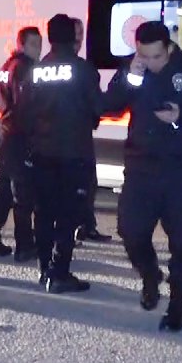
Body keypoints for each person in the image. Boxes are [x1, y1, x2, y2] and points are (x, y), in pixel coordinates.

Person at [104, 21, 182, 330]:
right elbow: (111, 106)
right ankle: (150, 275)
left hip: (181, 169)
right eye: (144, 56)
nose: (150, 63)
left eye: (156, 57)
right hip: (141, 167)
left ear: (169, 48)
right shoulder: (134, 68)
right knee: (131, 232)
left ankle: (177, 304)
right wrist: (131, 77)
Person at [22, 14, 103, 293]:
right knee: (68, 215)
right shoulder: (82, 69)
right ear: (72, 37)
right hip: (73, 153)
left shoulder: (36, 70)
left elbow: (26, 111)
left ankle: (45, 268)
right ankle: (59, 273)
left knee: (44, 213)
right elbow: (97, 109)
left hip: (41, 153)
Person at [0, 26, 42, 261]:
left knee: (3, 193)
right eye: (34, 44)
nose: (39, 49)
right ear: (21, 45)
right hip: (20, 137)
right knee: (22, 194)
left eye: (40, 44)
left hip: (5, 135)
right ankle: (24, 245)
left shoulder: (6, 67)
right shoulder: (24, 69)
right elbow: (27, 106)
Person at [70, 16, 113, 244]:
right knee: (80, 185)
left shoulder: (48, 65)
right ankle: (75, 230)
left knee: (86, 184)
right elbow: (96, 104)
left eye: (81, 33)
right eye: (76, 33)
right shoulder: (83, 68)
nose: (80, 38)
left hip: (64, 136)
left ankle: (85, 226)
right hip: (76, 138)